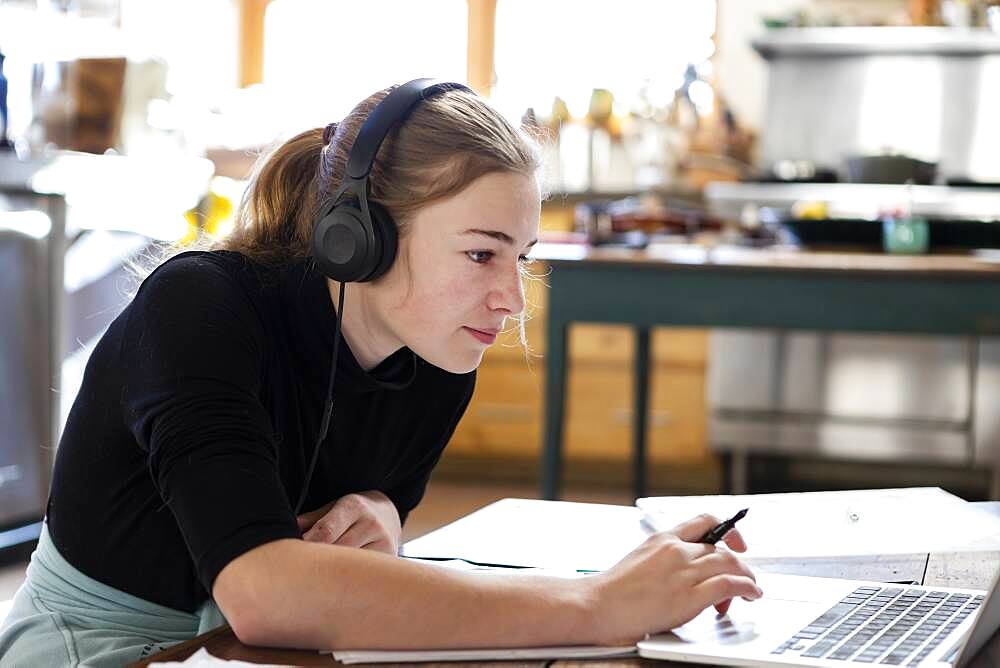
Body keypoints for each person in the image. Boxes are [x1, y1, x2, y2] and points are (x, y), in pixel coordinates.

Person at [0, 80, 761, 667]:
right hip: (103, 651)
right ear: (358, 237)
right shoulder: (200, 306)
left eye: (520, 257)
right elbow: (262, 589)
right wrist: (600, 601)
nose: (510, 298)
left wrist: (383, 513)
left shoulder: (437, 350)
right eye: (481, 253)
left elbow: (374, 520)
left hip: (258, 653)